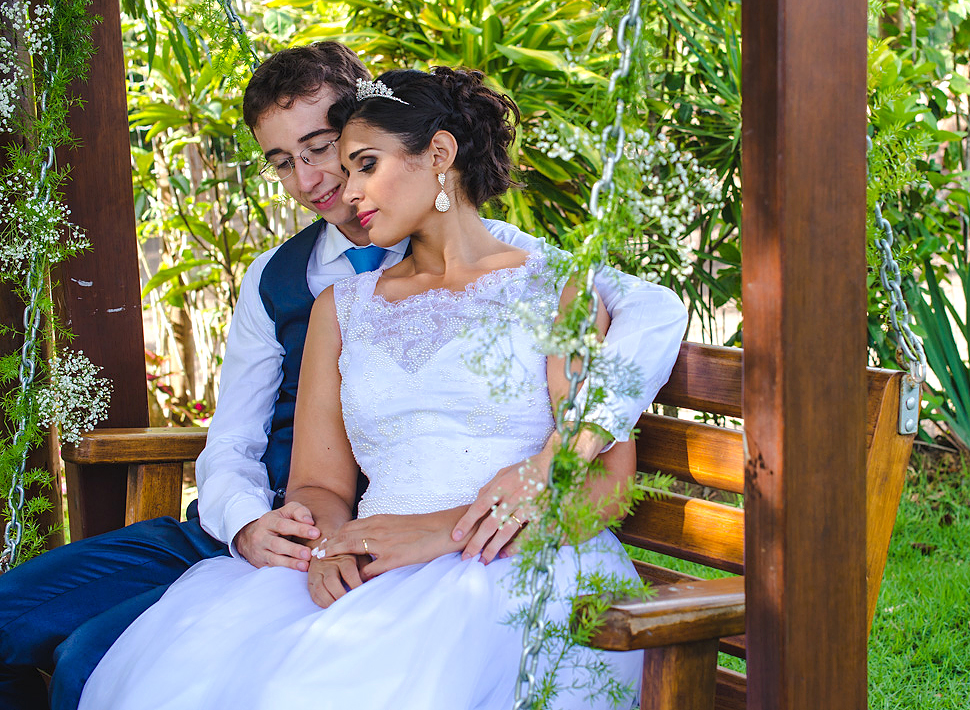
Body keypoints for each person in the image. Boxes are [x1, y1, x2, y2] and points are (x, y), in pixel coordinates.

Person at [0, 44, 687, 710]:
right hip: (295, 539)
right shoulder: (327, 299)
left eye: (344, 157)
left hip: (493, 562)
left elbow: (609, 460)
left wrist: (458, 519)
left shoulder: (551, 279)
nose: (326, 185)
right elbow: (299, 474)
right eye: (284, 162)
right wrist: (306, 537)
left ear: (437, 155)